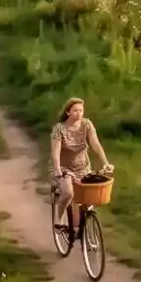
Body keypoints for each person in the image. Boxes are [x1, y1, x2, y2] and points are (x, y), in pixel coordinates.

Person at [50, 97, 111, 234]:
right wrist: (58, 171)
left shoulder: (87, 125)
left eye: (81, 110)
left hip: (83, 167)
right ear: (68, 112)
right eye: (75, 110)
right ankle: (59, 219)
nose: (79, 113)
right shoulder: (59, 129)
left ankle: (84, 231)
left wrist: (105, 163)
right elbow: (55, 152)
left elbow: (96, 145)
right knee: (68, 193)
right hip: (64, 168)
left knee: (88, 198)